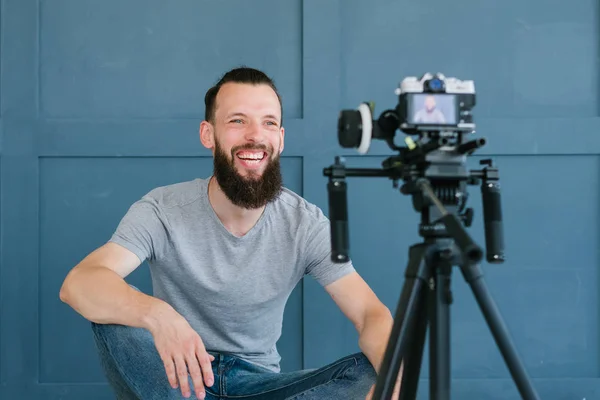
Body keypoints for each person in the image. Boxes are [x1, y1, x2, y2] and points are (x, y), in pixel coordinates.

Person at [59, 67, 401, 400]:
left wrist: (395, 384)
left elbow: (370, 314)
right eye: (237, 121)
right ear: (208, 134)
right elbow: (79, 283)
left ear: (280, 139)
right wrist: (158, 316)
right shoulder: (162, 209)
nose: (255, 134)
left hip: (262, 386)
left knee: (376, 370)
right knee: (111, 313)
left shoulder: (305, 224)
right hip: (174, 383)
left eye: (268, 122)